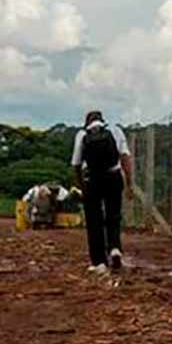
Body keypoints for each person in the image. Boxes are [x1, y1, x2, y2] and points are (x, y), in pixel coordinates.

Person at [71, 110, 133, 272]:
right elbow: (125, 157)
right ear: (102, 120)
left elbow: (76, 164)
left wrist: (80, 186)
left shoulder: (82, 135)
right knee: (113, 215)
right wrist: (129, 182)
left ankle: (99, 262)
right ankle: (115, 249)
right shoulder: (115, 130)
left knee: (94, 221)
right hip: (113, 177)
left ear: (87, 122)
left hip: (92, 180)